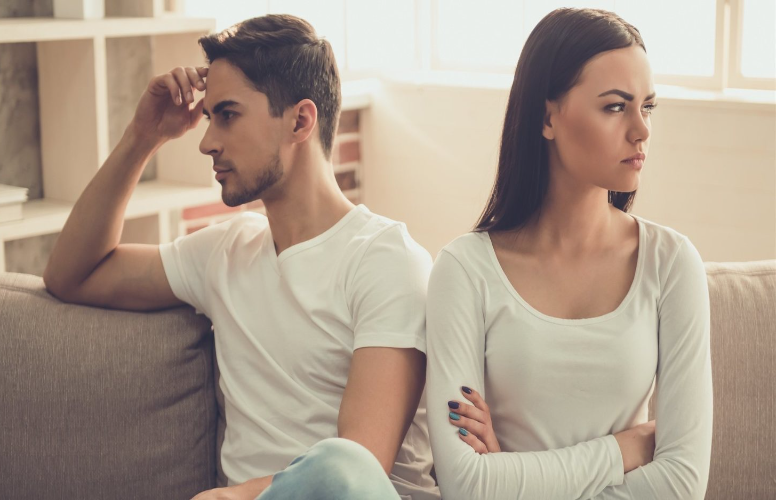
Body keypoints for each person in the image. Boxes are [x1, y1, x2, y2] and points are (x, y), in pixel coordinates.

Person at [44, 14, 439, 500]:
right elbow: (72, 274)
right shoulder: (224, 252)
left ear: (300, 121)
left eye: (227, 115)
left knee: (340, 466)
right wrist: (143, 136)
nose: (207, 142)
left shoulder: (387, 261)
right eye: (209, 117)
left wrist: (232, 496)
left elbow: (357, 466)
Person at [425, 8, 712, 499]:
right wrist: (623, 449)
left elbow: (682, 483)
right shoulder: (464, 271)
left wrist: (512, 476)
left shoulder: (671, 264)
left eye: (647, 106)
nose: (642, 130)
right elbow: (465, 485)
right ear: (547, 118)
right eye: (616, 107)